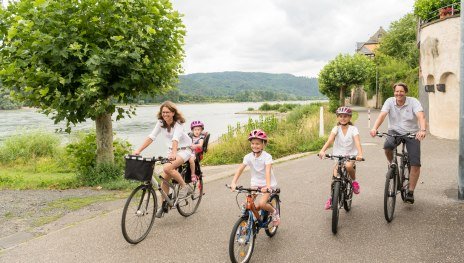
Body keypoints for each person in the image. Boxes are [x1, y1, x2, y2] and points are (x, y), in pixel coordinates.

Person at [133, 101, 193, 217]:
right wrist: (138, 150)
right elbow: (151, 137)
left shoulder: (178, 123)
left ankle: (185, 188)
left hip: (184, 149)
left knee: (167, 168)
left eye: (168, 112)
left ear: (173, 113)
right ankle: (163, 205)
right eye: (163, 112)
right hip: (172, 151)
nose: (165, 114)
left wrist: (174, 153)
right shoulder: (161, 123)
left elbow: (175, 139)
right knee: (164, 180)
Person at [369, 82, 426, 204]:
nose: (398, 93)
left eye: (401, 91)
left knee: (415, 163)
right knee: (387, 147)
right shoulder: (390, 101)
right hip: (394, 131)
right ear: (394, 92)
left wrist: (422, 130)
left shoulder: (413, 102)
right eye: (396, 91)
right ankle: (391, 164)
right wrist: (374, 128)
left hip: (412, 133)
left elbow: (421, 116)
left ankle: (410, 191)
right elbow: (382, 115)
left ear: (405, 92)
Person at [230, 129, 280, 226]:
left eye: (257, 143)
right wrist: (233, 182)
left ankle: (274, 212)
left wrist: (268, 187)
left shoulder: (267, 157)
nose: (254, 146)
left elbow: (267, 171)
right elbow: (240, 169)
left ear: (263, 144)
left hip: (267, 184)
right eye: (252, 143)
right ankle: (247, 223)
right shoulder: (248, 157)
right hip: (255, 183)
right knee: (247, 204)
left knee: (261, 204)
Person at [319, 106, 364, 210]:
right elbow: (330, 140)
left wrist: (360, 154)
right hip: (338, 156)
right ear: (338, 118)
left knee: (348, 166)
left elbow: (357, 142)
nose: (343, 118)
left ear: (349, 118)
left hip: (351, 155)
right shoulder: (336, 129)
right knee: (335, 177)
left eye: (345, 116)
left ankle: (354, 182)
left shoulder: (353, 129)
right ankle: (331, 198)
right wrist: (323, 150)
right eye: (341, 116)